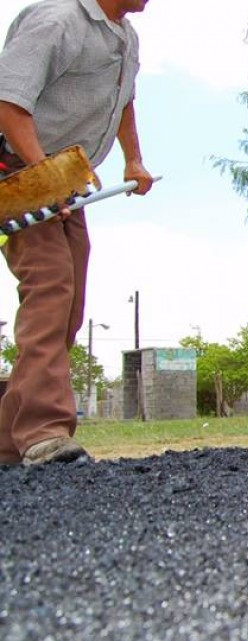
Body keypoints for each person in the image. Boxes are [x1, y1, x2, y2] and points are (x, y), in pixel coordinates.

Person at [0, 0, 155, 465]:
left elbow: (124, 101)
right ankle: (43, 430)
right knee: (50, 284)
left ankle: (8, 441)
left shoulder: (126, 38)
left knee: (68, 305)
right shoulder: (57, 22)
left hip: (64, 179)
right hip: (17, 169)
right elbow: (9, 104)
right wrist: (45, 177)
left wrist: (133, 158)